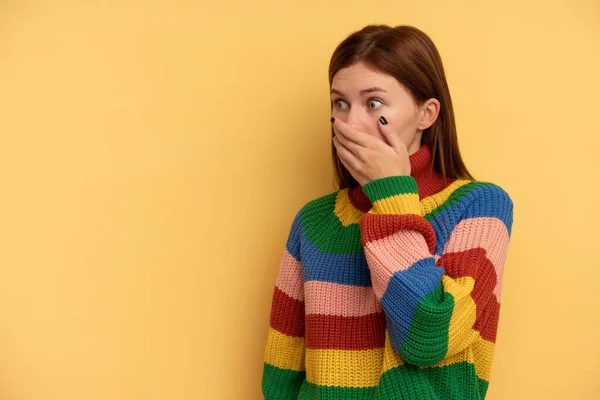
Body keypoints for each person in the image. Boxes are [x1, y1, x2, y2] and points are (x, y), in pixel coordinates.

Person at [261, 24, 514, 400]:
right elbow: (279, 378)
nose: (350, 123)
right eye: (339, 103)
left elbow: (429, 336)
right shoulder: (314, 222)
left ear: (426, 114)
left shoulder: (480, 208)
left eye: (373, 103)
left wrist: (391, 195)